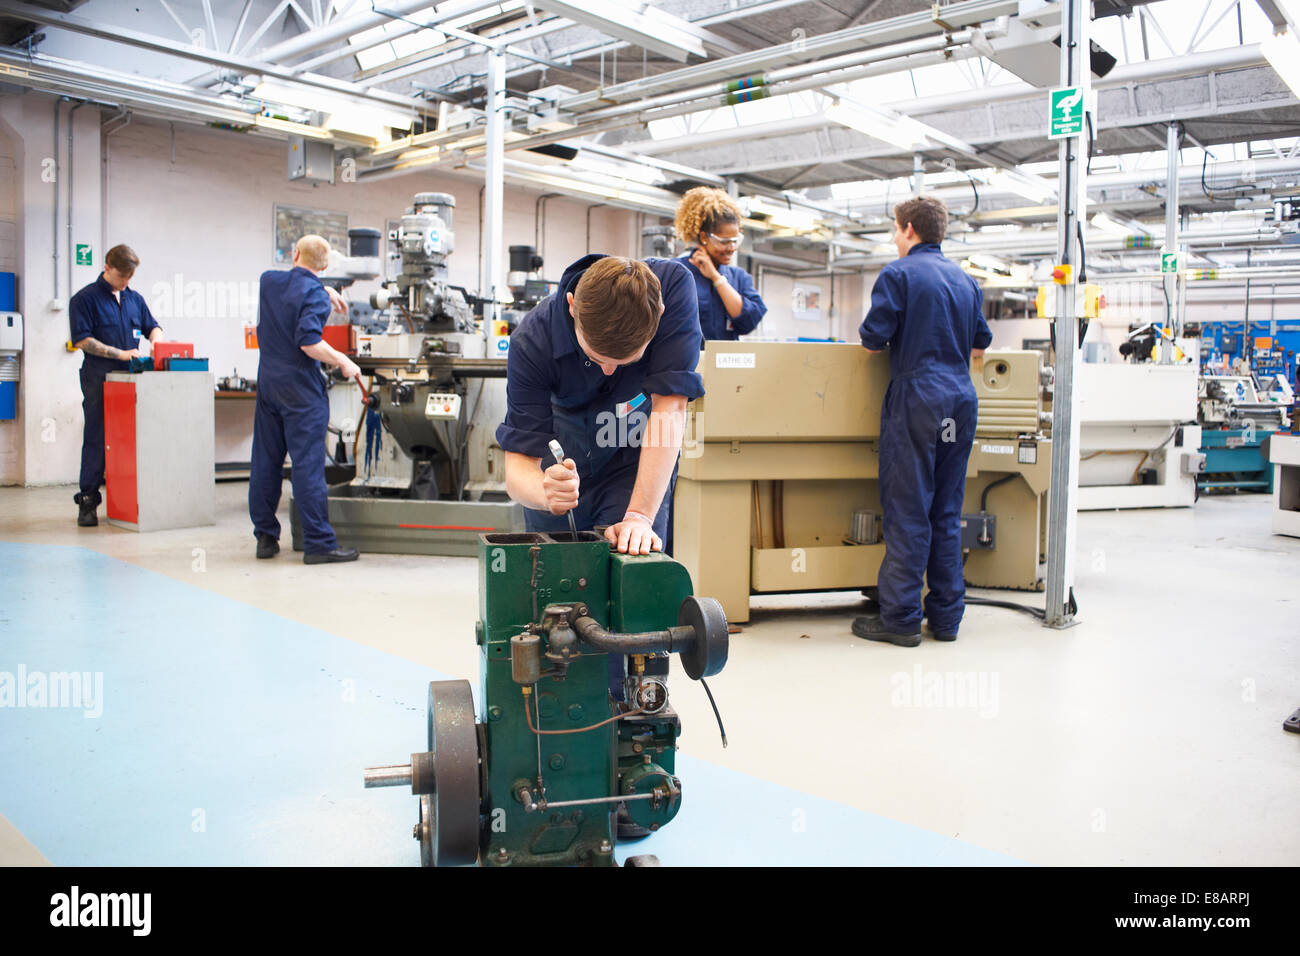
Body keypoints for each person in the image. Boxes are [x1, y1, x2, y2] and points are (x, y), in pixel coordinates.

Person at [853, 196, 992, 647]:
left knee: (909, 511)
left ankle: (900, 619)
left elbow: (873, 341)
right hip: (960, 400)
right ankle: (947, 619)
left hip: (918, 399)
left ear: (909, 228)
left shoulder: (898, 274)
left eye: (895, 229)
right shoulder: (966, 280)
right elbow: (980, 343)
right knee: (947, 511)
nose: (895, 237)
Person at [496, 254, 704, 555]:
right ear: (571, 305)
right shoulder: (532, 341)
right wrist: (545, 491)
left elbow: (670, 408)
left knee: (634, 563)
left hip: (635, 450)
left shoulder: (671, 286)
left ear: (659, 313)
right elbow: (517, 469)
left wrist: (640, 516)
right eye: (595, 358)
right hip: (561, 454)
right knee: (556, 574)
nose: (609, 371)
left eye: (626, 362)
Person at [249, 235, 361, 564]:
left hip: (269, 384)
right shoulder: (315, 294)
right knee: (308, 467)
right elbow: (309, 342)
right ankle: (319, 544)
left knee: (266, 462)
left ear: (295, 253)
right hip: (301, 389)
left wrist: (320, 289)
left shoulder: (268, 282)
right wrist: (343, 360)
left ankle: (266, 538)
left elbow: (290, 286)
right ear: (325, 267)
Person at [69, 244, 164, 527]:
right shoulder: (84, 300)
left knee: (130, 440)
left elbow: (152, 326)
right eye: (122, 276)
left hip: (133, 381)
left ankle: (129, 500)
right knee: (98, 437)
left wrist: (156, 341)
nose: (126, 282)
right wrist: (120, 353)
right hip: (100, 378)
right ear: (107, 268)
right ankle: (88, 501)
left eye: (130, 277)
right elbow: (82, 340)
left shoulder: (135, 300)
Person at [673, 187, 766, 341]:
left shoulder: (739, 278)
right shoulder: (677, 272)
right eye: (724, 242)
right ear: (704, 237)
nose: (731, 248)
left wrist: (717, 278)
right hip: (690, 363)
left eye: (735, 241)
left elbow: (748, 321)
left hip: (726, 362)